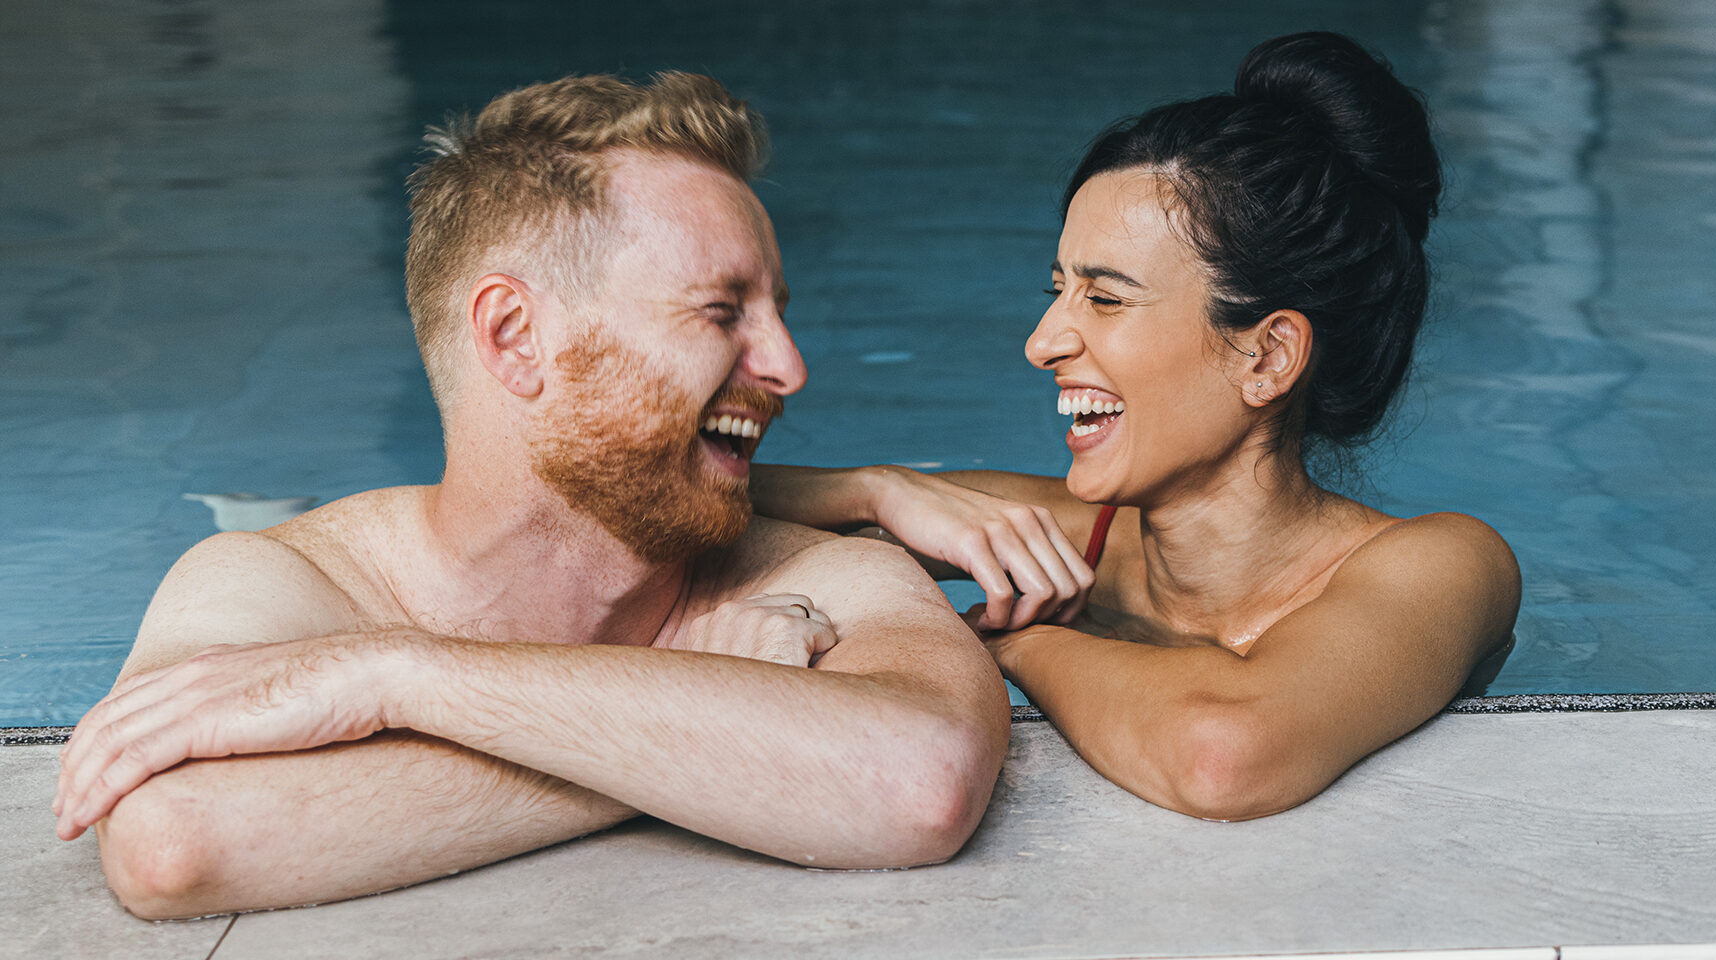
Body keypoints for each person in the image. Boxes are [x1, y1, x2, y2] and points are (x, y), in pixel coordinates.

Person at [51, 73, 1009, 919]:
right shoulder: (283, 582)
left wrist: (399, 679)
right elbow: (174, 843)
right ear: (514, 337)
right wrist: (703, 729)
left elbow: (920, 782)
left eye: (775, 315)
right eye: (722, 312)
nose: (788, 367)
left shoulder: (819, 579)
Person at [752, 33, 1520, 821]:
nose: (1042, 341)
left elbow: (1223, 758)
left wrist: (1008, 643)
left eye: (1106, 298)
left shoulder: (1446, 566)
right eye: (1059, 290)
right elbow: (679, 512)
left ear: (1267, 356)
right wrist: (878, 491)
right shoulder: (1064, 538)